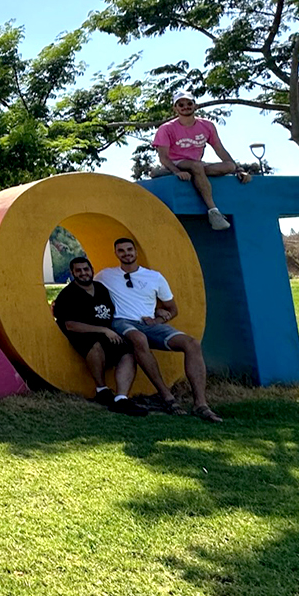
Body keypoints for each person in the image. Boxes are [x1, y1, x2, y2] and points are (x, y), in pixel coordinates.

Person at [95, 237, 222, 423]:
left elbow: (173, 309)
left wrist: (159, 319)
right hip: (122, 322)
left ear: (136, 252)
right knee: (138, 338)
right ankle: (166, 396)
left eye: (129, 249)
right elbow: (84, 289)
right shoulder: (105, 276)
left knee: (192, 344)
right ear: (116, 254)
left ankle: (200, 404)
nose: (126, 254)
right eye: (121, 250)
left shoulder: (154, 277)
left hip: (150, 324)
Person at [51, 257, 148, 416]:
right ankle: (102, 390)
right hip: (82, 335)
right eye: (78, 270)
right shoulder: (68, 294)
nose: (83, 273)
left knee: (127, 352)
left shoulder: (101, 288)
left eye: (86, 269)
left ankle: (121, 398)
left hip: (107, 333)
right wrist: (103, 330)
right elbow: (70, 325)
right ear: (72, 272)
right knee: (95, 346)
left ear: (92, 270)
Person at [150, 90, 251, 231]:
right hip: (177, 162)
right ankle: (213, 212)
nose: (185, 107)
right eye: (181, 104)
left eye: (189, 103)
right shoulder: (166, 129)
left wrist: (238, 169)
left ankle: (169, 173)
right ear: (175, 108)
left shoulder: (207, 126)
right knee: (196, 166)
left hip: (198, 164)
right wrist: (176, 171)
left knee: (228, 167)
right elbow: (163, 157)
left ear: (195, 106)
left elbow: (219, 149)